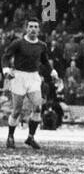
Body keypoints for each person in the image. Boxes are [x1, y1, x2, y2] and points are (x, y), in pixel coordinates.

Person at [4, 19, 55, 149]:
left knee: (38, 108)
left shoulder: (42, 45)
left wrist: (52, 71)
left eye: (35, 27)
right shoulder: (18, 43)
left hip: (33, 77)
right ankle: (10, 137)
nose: (33, 29)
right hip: (19, 76)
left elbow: (45, 61)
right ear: (26, 28)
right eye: (31, 26)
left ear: (39, 30)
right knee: (17, 110)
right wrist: (5, 69)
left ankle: (30, 137)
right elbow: (6, 56)